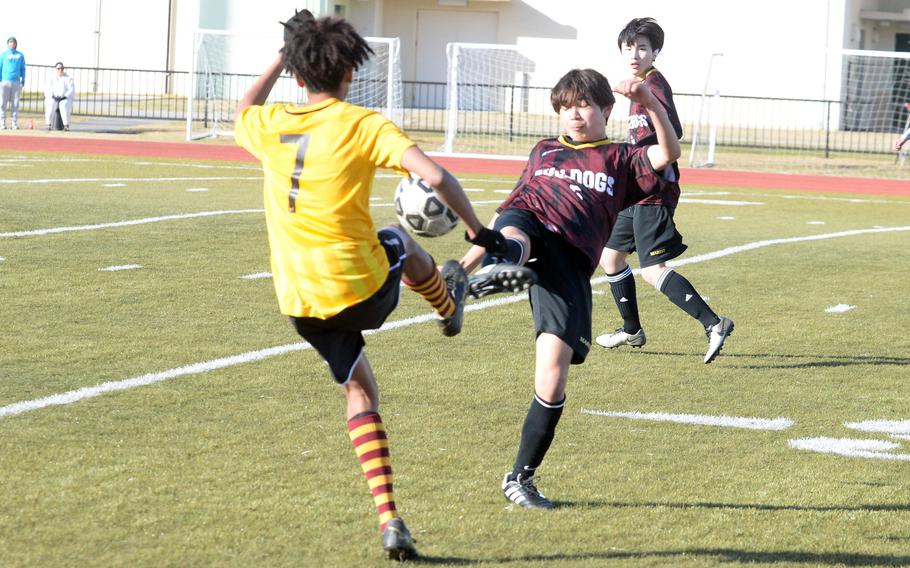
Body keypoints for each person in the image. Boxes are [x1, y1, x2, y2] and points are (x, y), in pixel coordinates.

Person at [233, 9, 505, 561]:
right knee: (397, 239)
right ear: (350, 73)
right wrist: (480, 231)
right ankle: (447, 304)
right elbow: (435, 178)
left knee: (359, 391)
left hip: (301, 301)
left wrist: (285, 54)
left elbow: (244, 107)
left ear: (298, 74)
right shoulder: (361, 124)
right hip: (360, 288)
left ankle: (389, 518)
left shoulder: (272, 126)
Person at [460, 68, 681, 509]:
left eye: (583, 105)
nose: (574, 115)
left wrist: (649, 100)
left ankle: (519, 478)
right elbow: (508, 210)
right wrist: (464, 268)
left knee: (554, 377)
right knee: (517, 233)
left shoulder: (620, 158)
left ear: (606, 109)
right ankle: (499, 269)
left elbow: (670, 152)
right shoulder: (543, 150)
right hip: (526, 231)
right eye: (565, 107)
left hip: (570, 264)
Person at [594, 18, 733, 364]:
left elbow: (675, 132)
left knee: (652, 270)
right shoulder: (638, 85)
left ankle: (714, 324)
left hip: (654, 189)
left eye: (642, 47)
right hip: (634, 188)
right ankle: (631, 331)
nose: (635, 53)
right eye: (629, 47)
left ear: (655, 52)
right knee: (610, 257)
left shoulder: (652, 85)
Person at [0, 36, 26, 130]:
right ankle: (2, 123)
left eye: (13, 42)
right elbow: (0, 67)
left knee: (15, 104)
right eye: (10, 42)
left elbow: (23, 68)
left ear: (16, 44)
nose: (12, 44)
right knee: (2, 103)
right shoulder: (3, 54)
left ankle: (14, 124)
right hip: (4, 82)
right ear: (8, 44)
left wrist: (23, 80)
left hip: (16, 82)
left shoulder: (20, 55)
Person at [44, 62, 75, 131]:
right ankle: (49, 124)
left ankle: (66, 125)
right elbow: (47, 89)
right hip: (53, 98)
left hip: (65, 98)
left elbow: (71, 90)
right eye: (58, 68)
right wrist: (53, 96)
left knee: (63, 106)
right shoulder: (50, 78)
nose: (60, 70)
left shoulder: (68, 78)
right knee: (50, 105)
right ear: (55, 69)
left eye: (62, 68)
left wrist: (64, 96)